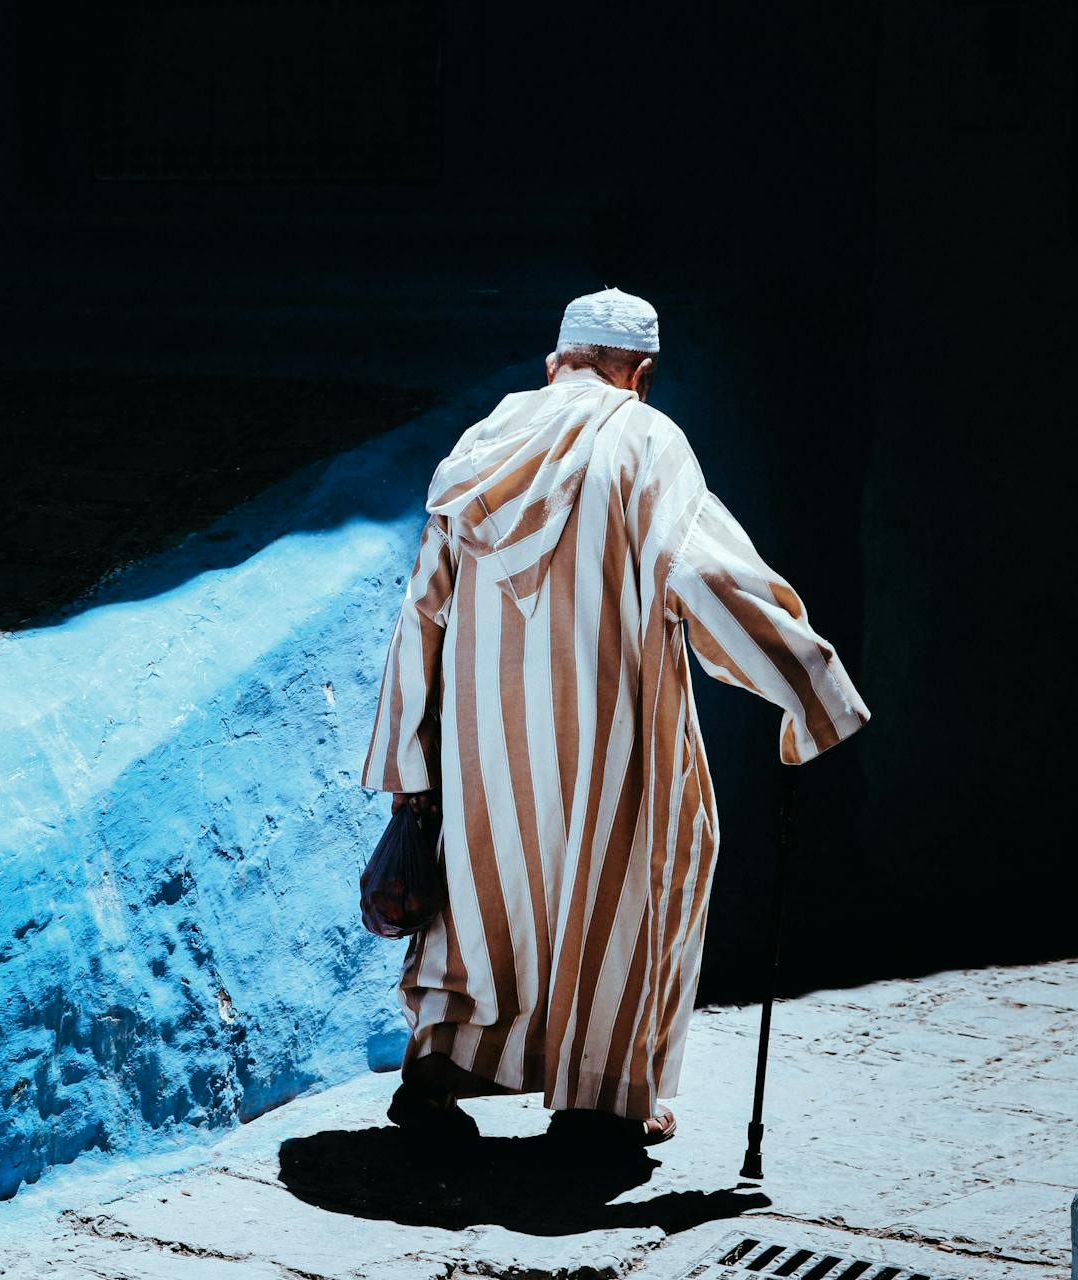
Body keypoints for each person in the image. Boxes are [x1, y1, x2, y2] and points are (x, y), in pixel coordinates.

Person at [361, 287, 871, 1144]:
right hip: (614, 744)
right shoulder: (646, 439)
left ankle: (440, 1070)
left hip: (485, 753)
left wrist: (411, 768)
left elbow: (423, 610)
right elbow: (709, 578)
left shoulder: (483, 443)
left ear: (556, 359)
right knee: (627, 893)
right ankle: (598, 1102)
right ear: (641, 372)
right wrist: (806, 683)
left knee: (489, 905)